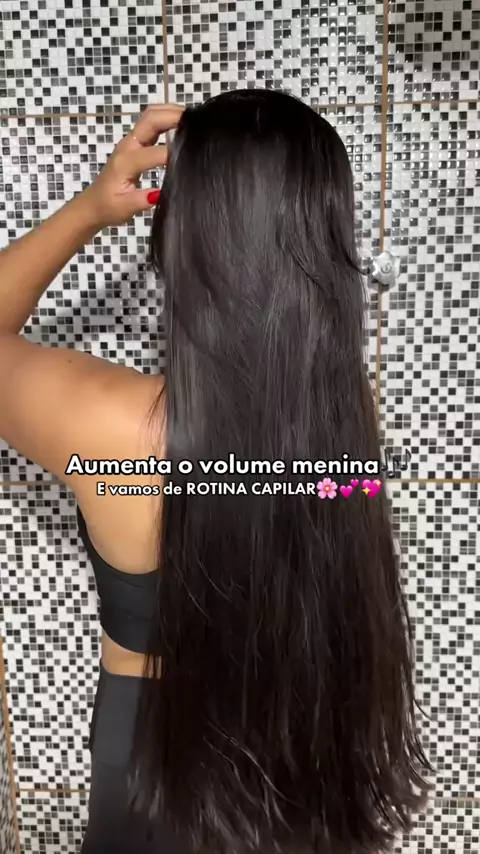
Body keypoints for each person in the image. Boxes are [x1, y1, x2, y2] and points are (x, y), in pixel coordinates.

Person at [0, 89, 432, 854]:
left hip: (150, 750)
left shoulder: (106, 426)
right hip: (309, 734)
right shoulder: (345, 412)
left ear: (184, 231)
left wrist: (90, 210)